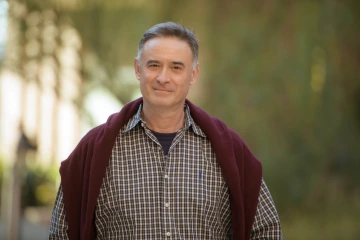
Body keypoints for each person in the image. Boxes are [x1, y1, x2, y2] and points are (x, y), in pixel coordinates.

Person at [49, 22, 282, 240]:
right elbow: (62, 232)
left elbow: (265, 230)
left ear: (193, 75)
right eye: (154, 65)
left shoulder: (228, 150)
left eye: (176, 67)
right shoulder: (95, 150)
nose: (163, 77)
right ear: (137, 69)